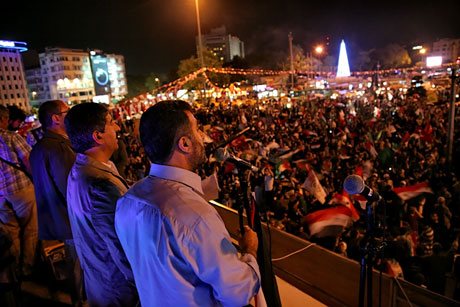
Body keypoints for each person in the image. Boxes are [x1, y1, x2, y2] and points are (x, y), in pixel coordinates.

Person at [115, 100, 262, 306]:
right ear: (184, 144)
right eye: (197, 129)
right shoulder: (195, 215)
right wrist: (250, 252)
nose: (203, 136)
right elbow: (237, 293)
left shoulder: (128, 200)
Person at [65, 103, 138, 306]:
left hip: (100, 282)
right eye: (111, 123)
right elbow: (121, 247)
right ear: (98, 136)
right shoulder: (100, 185)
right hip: (117, 290)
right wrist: (141, 284)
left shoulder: (83, 168)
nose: (117, 128)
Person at [29, 100, 83, 304]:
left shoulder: (39, 148)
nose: (69, 115)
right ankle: (80, 300)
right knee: (78, 264)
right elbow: (69, 187)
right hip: (68, 218)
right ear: (56, 118)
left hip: (53, 217)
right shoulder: (59, 147)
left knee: (72, 263)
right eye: (66, 111)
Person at [0, 105, 38, 279]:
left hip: (1, 196)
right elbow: (28, 161)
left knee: (11, 233)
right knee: (31, 229)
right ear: (3, 119)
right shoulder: (11, 137)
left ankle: (13, 271)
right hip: (21, 190)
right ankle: (27, 268)